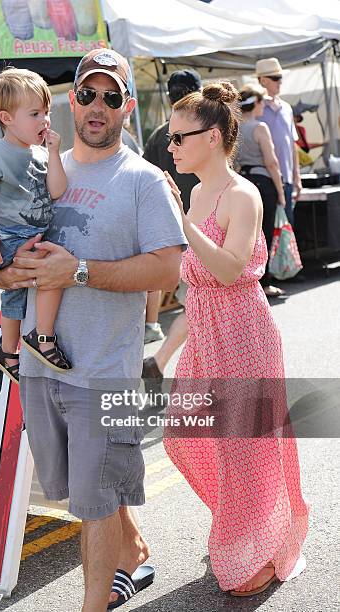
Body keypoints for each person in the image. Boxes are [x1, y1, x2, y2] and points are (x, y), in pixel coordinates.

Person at [0, 48, 186, 612]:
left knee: (93, 505)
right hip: (41, 368)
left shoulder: (143, 180)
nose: (98, 105)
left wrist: (80, 271)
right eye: (88, 94)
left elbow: (169, 268)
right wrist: (4, 269)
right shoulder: (37, 165)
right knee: (82, 493)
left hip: (103, 370)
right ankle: (135, 553)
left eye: (112, 96)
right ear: (72, 100)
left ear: (125, 108)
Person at [162, 81, 309, 597]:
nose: (172, 147)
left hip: (245, 336)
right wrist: (161, 354)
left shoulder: (241, 194)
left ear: (214, 136)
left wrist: (181, 223)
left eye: (180, 138)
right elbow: (196, 294)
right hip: (207, 336)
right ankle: (245, 529)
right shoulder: (198, 194)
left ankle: (252, 548)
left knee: (245, 451)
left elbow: (227, 271)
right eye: (171, 138)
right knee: (187, 437)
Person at [0, 68, 70, 385]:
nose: (44, 120)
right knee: (52, 273)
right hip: (6, 236)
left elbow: (56, 190)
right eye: (35, 114)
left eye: (46, 112)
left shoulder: (42, 153)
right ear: (7, 117)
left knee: (13, 296)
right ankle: (43, 339)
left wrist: (53, 152)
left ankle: (7, 351)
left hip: (31, 234)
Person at [142, 70, 201, 355]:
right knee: (201, 297)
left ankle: (158, 338)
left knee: (193, 296)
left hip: (171, 226)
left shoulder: (157, 136)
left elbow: (145, 180)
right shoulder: (205, 132)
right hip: (202, 226)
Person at [236, 84, 286, 298]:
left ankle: (249, 280)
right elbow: (272, 162)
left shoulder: (235, 129)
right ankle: (264, 283)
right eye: (261, 102)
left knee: (248, 235)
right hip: (263, 182)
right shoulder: (259, 128)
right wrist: (281, 192)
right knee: (264, 234)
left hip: (242, 182)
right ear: (255, 103)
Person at [256, 58, 302, 226]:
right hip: (263, 180)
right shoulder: (254, 109)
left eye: (280, 77)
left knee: (286, 230)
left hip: (286, 180)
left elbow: (292, 145)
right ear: (262, 80)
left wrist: (297, 177)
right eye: (275, 78)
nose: (280, 82)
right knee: (266, 231)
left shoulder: (287, 108)